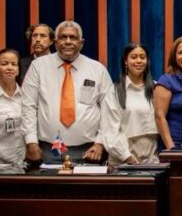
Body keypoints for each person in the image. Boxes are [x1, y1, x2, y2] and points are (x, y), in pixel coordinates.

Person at [22, 21, 117, 163]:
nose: (67, 41)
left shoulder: (97, 69)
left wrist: (100, 143)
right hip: (46, 149)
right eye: (63, 37)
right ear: (55, 42)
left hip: (89, 150)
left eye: (72, 37)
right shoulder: (38, 66)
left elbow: (109, 110)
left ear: (81, 43)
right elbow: (28, 106)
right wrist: (31, 142)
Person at [107, 43, 159, 165]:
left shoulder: (156, 88)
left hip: (153, 158)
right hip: (123, 158)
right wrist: (127, 157)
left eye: (142, 57)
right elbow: (109, 130)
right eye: (134, 57)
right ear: (126, 61)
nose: (139, 61)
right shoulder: (114, 91)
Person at [154, 36, 182, 150]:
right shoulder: (166, 80)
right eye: (181, 53)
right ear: (174, 58)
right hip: (174, 145)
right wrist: (171, 149)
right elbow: (159, 117)